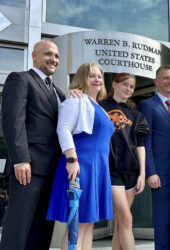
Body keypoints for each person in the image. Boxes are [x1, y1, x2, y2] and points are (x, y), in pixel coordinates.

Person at [0, 40, 66, 250]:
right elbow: (13, 121)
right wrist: (20, 159)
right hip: (28, 169)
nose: (54, 59)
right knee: (19, 228)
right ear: (34, 56)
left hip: (53, 170)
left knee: (42, 230)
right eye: (48, 54)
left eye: (56, 56)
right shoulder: (20, 79)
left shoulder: (59, 93)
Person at [46, 61, 114, 250]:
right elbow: (64, 129)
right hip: (80, 165)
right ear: (82, 78)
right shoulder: (76, 99)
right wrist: (72, 159)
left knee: (88, 224)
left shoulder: (98, 107)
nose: (97, 79)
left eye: (99, 76)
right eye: (92, 75)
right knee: (75, 225)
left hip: (98, 168)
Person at [99, 73, 149, 250]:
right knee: (126, 218)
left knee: (121, 222)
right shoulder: (100, 106)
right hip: (111, 169)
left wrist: (143, 173)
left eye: (131, 87)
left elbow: (140, 145)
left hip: (131, 171)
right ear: (114, 84)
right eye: (125, 84)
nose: (128, 89)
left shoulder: (136, 115)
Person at [138, 65, 170, 250]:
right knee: (162, 221)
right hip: (161, 174)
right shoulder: (147, 105)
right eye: (165, 78)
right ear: (156, 82)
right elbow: (145, 141)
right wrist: (151, 171)